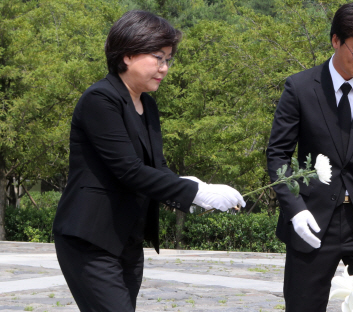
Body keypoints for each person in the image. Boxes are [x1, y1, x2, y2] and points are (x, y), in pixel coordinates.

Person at [52, 10, 245, 312]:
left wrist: (193, 188)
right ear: (127, 54)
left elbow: (157, 168)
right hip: (89, 238)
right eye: (158, 57)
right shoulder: (100, 100)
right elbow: (128, 170)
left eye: (168, 59)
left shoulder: (148, 104)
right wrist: (196, 192)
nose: (165, 68)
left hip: (127, 238)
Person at [266, 1, 353, 310]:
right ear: (336, 40)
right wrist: (295, 209)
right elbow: (278, 155)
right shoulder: (300, 87)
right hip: (311, 221)